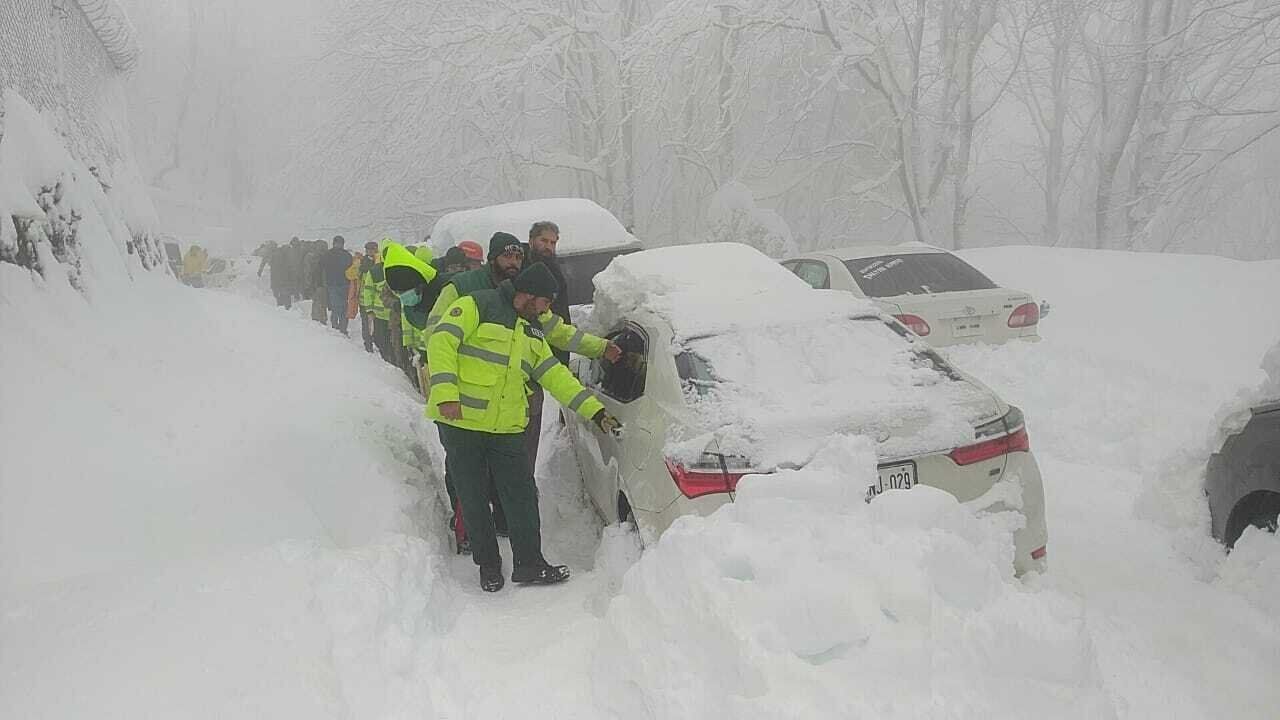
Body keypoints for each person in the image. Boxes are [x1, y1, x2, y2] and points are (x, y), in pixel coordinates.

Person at [428, 262, 622, 591]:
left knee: (521, 496)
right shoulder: (477, 305)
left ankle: (529, 564)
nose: (547, 310)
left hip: (506, 429)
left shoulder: (530, 331)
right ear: (529, 295)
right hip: (461, 424)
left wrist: (595, 411)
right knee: (473, 498)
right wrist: (446, 392)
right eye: (546, 302)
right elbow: (441, 342)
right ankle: (488, 566)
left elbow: (555, 375)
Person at [521, 220, 623, 479]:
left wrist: (600, 347)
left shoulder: (552, 270)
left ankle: (523, 480)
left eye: (553, 242)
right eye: (544, 241)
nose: (549, 246)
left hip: (550, 352)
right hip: (528, 364)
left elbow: (558, 329)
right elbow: (554, 329)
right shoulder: (526, 273)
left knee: (529, 434)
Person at [359, 240, 394, 361]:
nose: (370, 252)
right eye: (368, 249)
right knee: (379, 337)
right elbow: (367, 289)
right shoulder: (366, 265)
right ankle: (369, 345)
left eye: (372, 249)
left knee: (388, 341)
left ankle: (390, 359)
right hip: (378, 312)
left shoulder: (376, 267)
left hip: (390, 314)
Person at [322, 235, 353, 333]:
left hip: (340, 285)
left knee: (341, 307)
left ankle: (341, 329)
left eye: (340, 243)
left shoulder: (328, 254)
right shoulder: (345, 255)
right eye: (337, 243)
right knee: (338, 307)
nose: (339, 245)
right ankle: (337, 328)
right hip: (336, 285)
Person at [304, 240, 328, 323]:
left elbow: (308, 272)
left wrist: (307, 285)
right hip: (326, 284)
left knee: (316, 302)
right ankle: (323, 320)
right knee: (323, 303)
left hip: (316, 283)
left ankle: (316, 320)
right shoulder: (327, 256)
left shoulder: (311, 257)